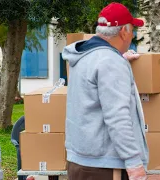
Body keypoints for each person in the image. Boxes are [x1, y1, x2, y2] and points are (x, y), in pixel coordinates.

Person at [62, 2, 148, 180]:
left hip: (80, 162)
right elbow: (117, 117)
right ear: (123, 31)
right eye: (132, 30)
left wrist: (118, 60)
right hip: (105, 167)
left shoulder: (84, 57)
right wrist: (133, 162)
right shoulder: (111, 63)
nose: (132, 35)